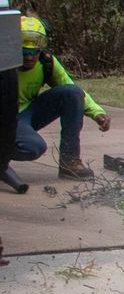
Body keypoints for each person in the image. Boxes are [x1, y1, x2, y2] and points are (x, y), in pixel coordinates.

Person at [11, 14, 109, 187]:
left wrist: (97, 113)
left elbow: (72, 88)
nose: (29, 58)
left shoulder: (46, 63)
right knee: (33, 146)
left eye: (34, 52)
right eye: (24, 52)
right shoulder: (5, 64)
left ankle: (69, 162)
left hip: (25, 115)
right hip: (6, 118)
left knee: (71, 93)